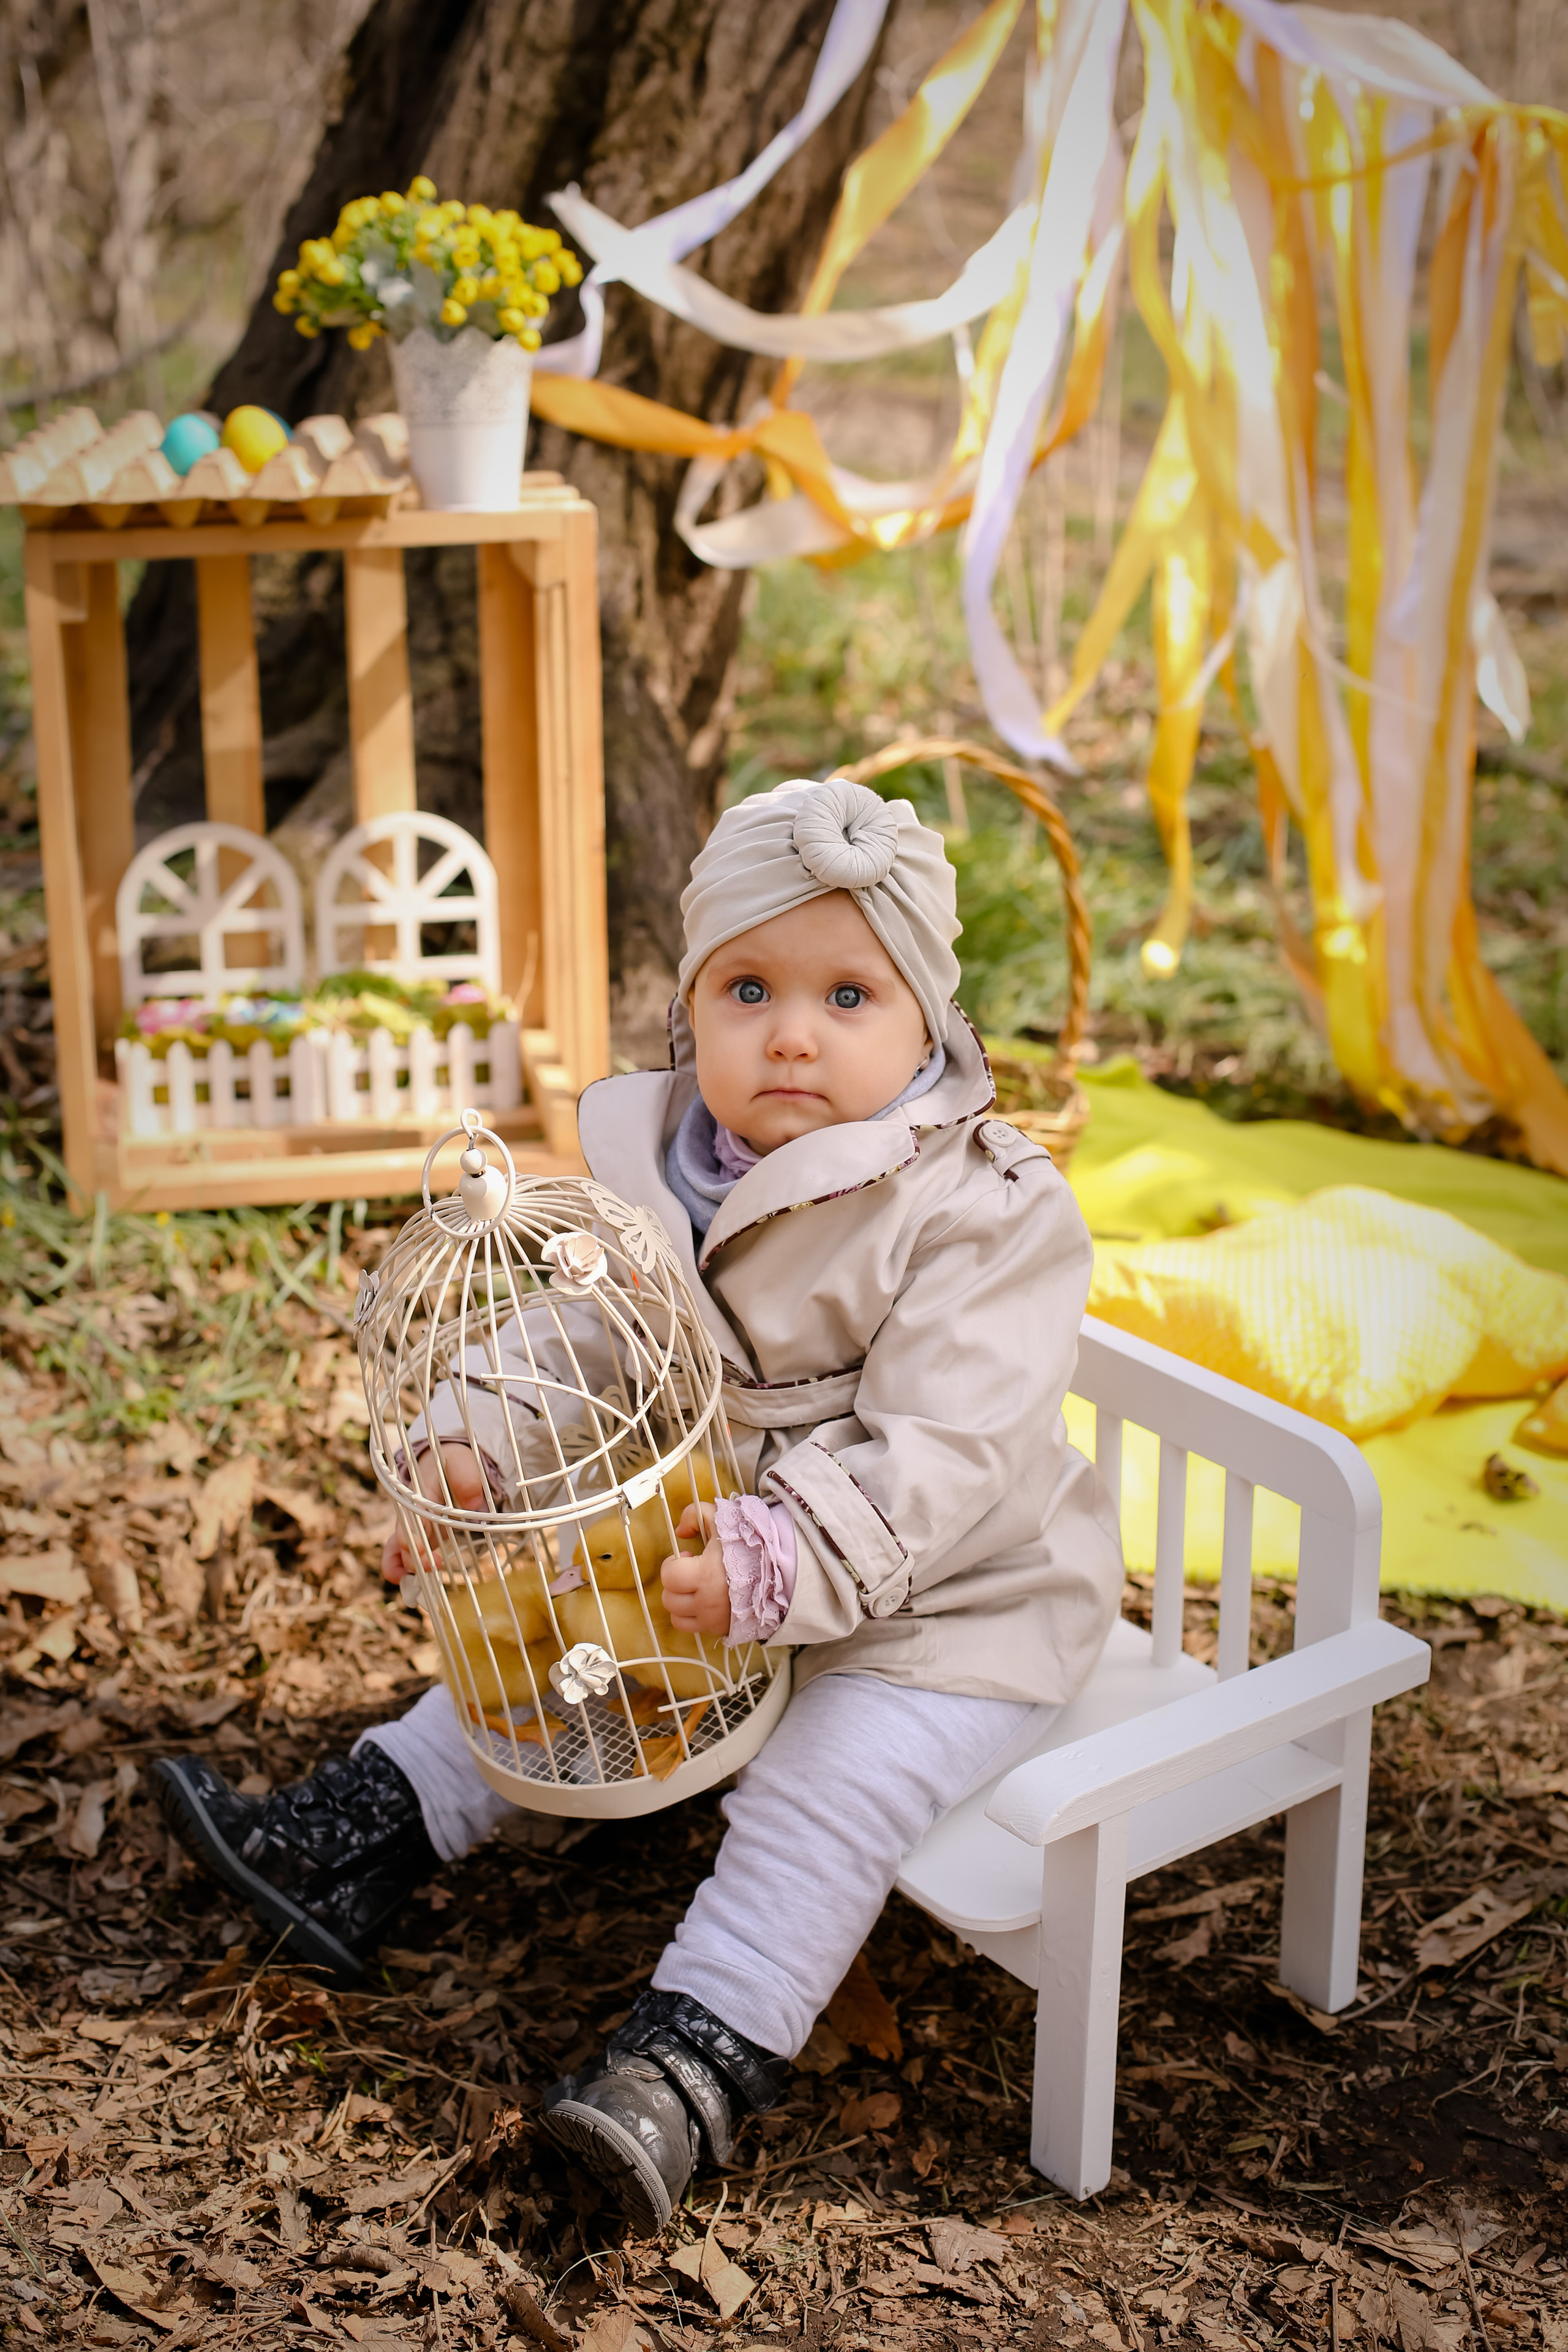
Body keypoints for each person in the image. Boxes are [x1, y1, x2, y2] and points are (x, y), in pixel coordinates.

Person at [156, 778, 1123, 2230]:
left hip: (944, 1605)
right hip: (711, 1568)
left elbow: (949, 1451)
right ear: (689, 1010)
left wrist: (782, 1551)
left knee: (823, 1791)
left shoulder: (981, 1209)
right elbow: (584, 1337)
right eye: (749, 988)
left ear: (927, 1020)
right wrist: (473, 1435)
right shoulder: (675, 1166)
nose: (791, 1031)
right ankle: (357, 1838)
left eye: (847, 992)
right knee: (550, 1643)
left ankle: (692, 2060)